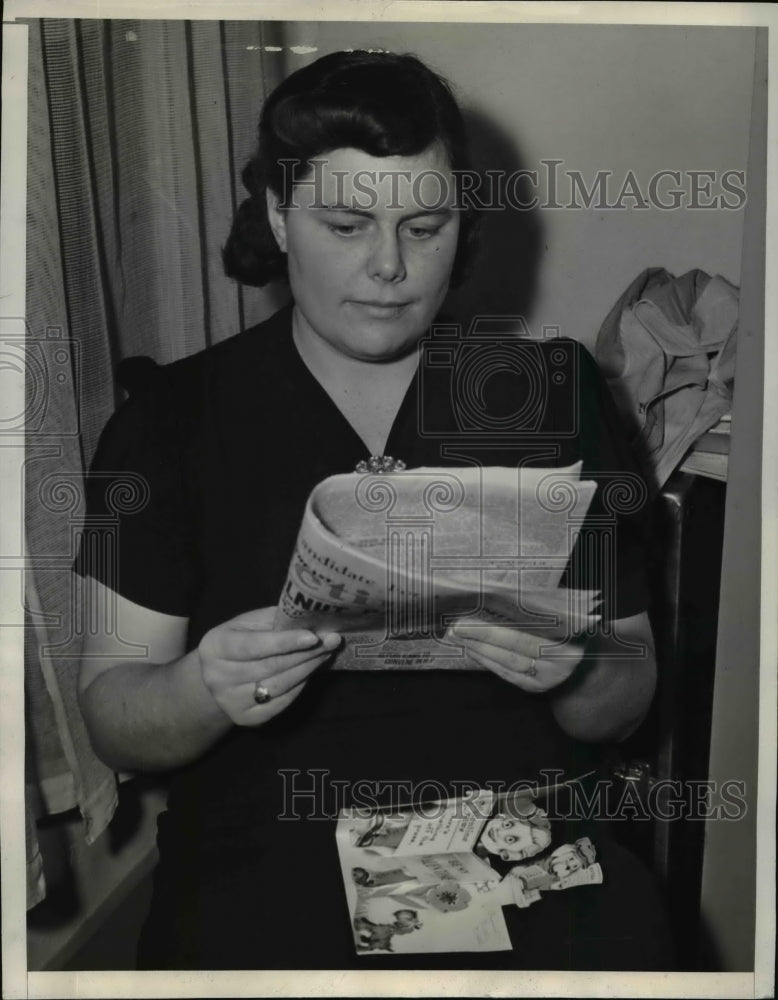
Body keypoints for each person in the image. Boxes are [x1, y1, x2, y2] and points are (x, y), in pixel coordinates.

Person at [75, 50, 673, 970]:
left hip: (513, 837)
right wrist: (203, 688)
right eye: (347, 224)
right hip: (270, 842)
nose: (389, 267)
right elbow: (115, 714)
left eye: (425, 227)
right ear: (278, 215)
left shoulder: (547, 394)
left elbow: (625, 701)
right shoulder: (170, 421)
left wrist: (579, 671)